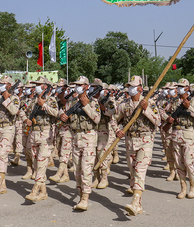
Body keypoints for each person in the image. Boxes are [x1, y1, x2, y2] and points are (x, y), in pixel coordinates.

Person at [112, 75, 160, 216]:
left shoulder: (149, 103)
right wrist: (117, 131)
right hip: (130, 142)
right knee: (133, 172)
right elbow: (113, 120)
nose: (130, 89)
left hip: (145, 141)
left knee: (139, 170)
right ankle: (138, 206)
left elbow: (158, 121)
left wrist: (146, 110)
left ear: (140, 88)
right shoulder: (123, 104)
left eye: (133, 86)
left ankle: (134, 201)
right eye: (129, 86)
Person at [59, 76, 101, 211]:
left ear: (86, 87)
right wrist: (63, 116)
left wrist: (86, 106)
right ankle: (80, 194)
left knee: (86, 169)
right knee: (77, 171)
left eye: (80, 85)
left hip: (89, 137)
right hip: (75, 137)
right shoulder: (72, 102)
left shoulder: (93, 102)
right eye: (76, 84)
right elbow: (64, 114)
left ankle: (85, 199)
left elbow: (97, 119)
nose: (77, 87)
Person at [0, 76, 20, 196]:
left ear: (8, 86)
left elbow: (14, 111)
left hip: (7, 128)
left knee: (2, 154)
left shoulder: (14, 98)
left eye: (2, 84)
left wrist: (6, 99)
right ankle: (3, 185)